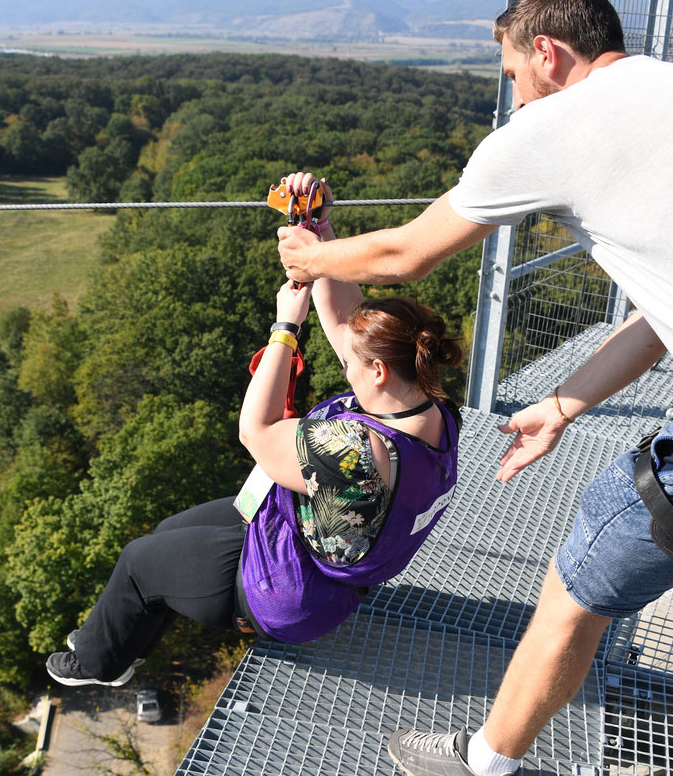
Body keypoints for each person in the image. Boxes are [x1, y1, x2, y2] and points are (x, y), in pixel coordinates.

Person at [278, 0, 673, 776]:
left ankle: (486, 763)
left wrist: (310, 258)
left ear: (546, 53)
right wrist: (562, 405)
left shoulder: (555, 124)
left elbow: (404, 255)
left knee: (581, 573)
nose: (512, 94)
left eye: (510, 72)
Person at [46, 204, 462, 688]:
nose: (344, 364)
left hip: (292, 591)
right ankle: (118, 637)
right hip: (314, 537)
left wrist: (285, 328)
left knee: (139, 562)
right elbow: (346, 317)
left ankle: (101, 666)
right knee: (167, 532)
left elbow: (257, 432)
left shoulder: (356, 454)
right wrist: (320, 241)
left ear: (378, 371)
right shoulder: (433, 410)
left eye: (351, 362)